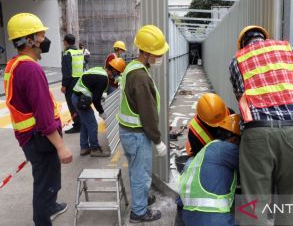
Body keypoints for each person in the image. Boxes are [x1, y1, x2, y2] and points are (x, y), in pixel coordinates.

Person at [229, 25, 293, 225]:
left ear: (243, 43)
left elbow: (240, 98)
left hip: (258, 133)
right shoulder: (288, 50)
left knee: (253, 204)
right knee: (290, 200)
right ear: (265, 38)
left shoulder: (238, 59)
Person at [4, 13, 73, 226]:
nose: (44, 40)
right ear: (29, 40)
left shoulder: (14, 64)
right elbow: (43, 117)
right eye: (41, 35)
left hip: (30, 138)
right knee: (45, 182)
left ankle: (51, 207)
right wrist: (61, 147)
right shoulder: (31, 69)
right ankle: (43, 219)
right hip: (39, 139)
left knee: (48, 178)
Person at [117, 25, 169, 223]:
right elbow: (147, 113)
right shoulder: (140, 77)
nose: (159, 57)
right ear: (146, 53)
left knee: (136, 169)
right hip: (138, 135)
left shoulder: (132, 67)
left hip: (128, 133)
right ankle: (139, 212)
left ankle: (142, 198)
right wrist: (157, 140)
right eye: (157, 53)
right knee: (141, 173)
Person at [179, 114, 241, 226]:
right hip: (212, 218)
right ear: (234, 139)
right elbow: (253, 165)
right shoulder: (226, 149)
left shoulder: (210, 147)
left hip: (189, 216)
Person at [72, 66, 110, 157]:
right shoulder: (104, 78)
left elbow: (92, 85)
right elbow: (96, 100)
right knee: (92, 124)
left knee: (86, 124)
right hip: (81, 100)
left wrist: (100, 95)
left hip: (76, 97)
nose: (113, 77)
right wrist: (101, 112)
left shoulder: (98, 70)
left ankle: (84, 148)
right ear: (112, 71)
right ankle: (94, 149)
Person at [185, 93, 234, 158]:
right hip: (208, 157)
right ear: (202, 118)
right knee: (188, 165)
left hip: (229, 152)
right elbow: (199, 158)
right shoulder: (194, 132)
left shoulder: (228, 113)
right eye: (215, 124)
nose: (218, 125)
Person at [61, 34, 84, 134]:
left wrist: (64, 85)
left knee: (71, 104)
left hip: (71, 83)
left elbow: (67, 72)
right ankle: (81, 123)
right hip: (80, 81)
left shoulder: (67, 53)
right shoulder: (80, 52)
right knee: (78, 103)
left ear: (66, 42)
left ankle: (77, 125)